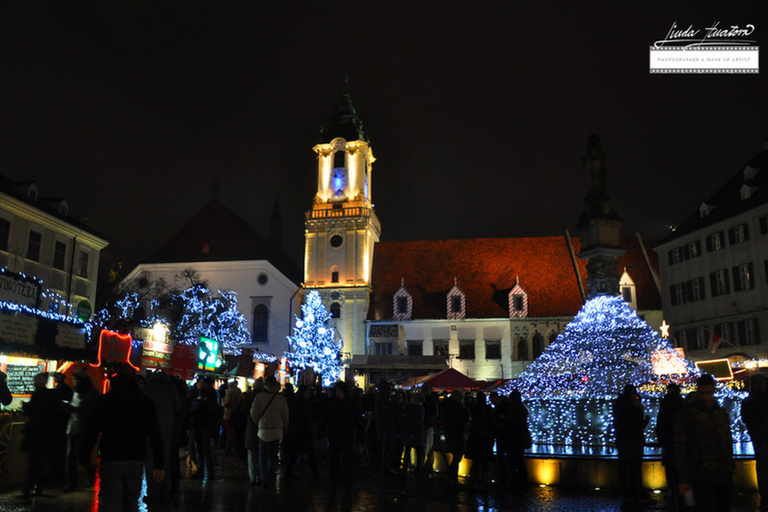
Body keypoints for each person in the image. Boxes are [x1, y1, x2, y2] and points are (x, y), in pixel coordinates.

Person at [82, 366, 164, 512]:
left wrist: (83, 457)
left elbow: (91, 431)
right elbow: (154, 433)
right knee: (131, 502)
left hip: (111, 457)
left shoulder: (105, 402)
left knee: (112, 502)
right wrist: (159, 463)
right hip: (135, 457)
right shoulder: (144, 403)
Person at [674, 374, 734, 512]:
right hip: (700, 473)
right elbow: (680, 447)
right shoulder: (688, 414)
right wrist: (684, 479)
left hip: (721, 473)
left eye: (708, 393)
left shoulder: (720, 412)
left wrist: (729, 466)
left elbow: (726, 440)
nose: (705, 397)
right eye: (702, 393)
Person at [142, 370, 183, 503]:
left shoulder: (147, 388)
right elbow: (178, 408)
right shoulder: (171, 388)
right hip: (166, 430)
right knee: (165, 461)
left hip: (149, 431)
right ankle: (163, 492)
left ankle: (152, 492)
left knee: (150, 463)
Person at [20, 373, 59, 498]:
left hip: (36, 433)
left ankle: (29, 488)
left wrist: (25, 406)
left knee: (34, 461)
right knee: (41, 461)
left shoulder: (38, 395)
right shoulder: (51, 394)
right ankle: (38, 487)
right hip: (47, 434)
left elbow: (34, 411)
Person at [61, 368, 99, 492]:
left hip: (83, 428)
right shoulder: (77, 391)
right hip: (73, 428)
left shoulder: (90, 394)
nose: (73, 381)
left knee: (81, 455)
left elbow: (85, 410)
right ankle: (73, 483)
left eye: (75, 379)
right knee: (72, 456)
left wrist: (70, 408)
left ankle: (87, 478)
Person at [250, 375, 289, 490]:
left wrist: (259, 422)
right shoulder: (280, 398)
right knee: (273, 456)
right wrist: (285, 427)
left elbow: (253, 413)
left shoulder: (259, 397)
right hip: (277, 430)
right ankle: (271, 478)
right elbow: (285, 415)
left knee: (262, 455)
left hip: (263, 430)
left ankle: (263, 478)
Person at [613, 383, 649, 503]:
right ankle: (637, 494)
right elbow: (637, 426)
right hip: (633, 441)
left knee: (623, 467)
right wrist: (643, 415)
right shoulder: (632, 408)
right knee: (635, 468)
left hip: (621, 440)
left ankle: (626, 494)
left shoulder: (618, 405)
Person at [742, 373, 768, 511]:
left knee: (763, 464)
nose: (763, 386)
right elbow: (747, 418)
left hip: (760, 435)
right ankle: (764, 492)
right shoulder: (750, 401)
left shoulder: (750, 401)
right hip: (760, 436)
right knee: (763, 464)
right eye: (761, 384)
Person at [656, 382, 684, 507]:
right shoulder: (682, 403)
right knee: (680, 467)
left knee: (670, 466)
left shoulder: (665, 403)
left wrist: (661, 437)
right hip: (680, 441)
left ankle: (672, 490)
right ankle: (681, 491)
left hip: (669, 440)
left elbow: (660, 422)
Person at [191, 376, 220, 479]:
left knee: (204, 449)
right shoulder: (202, 394)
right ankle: (204, 471)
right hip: (202, 425)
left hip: (204, 425)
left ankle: (204, 471)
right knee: (202, 449)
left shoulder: (208, 395)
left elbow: (199, 410)